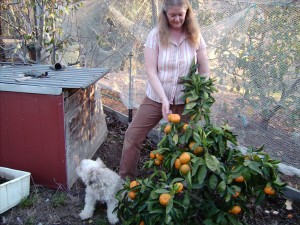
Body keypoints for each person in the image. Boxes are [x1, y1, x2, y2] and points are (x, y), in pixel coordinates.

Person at [119, 0, 210, 179]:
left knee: (182, 147)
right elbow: (151, 72)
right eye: (172, 15)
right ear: (165, 15)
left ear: (187, 14)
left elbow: (205, 71)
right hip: (156, 98)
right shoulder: (155, 35)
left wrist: (200, 96)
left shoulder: (195, 35)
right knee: (133, 135)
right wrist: (164, 99)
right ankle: (125, 181)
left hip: (186, 102)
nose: (177, 19)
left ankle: (175, 188)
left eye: (180, 15)